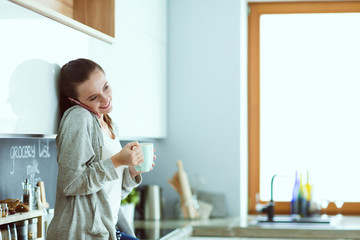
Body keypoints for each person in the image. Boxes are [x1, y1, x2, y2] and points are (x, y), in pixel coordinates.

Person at [46, 58, 155, 240]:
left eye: (105, 87)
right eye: (93, 97)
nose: (105, 99)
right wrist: (118, 160)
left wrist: (130, 171)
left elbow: (107, 196)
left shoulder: (110, 125)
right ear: (75, 101)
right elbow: (71, 183)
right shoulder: (79, 118)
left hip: (107, 231)